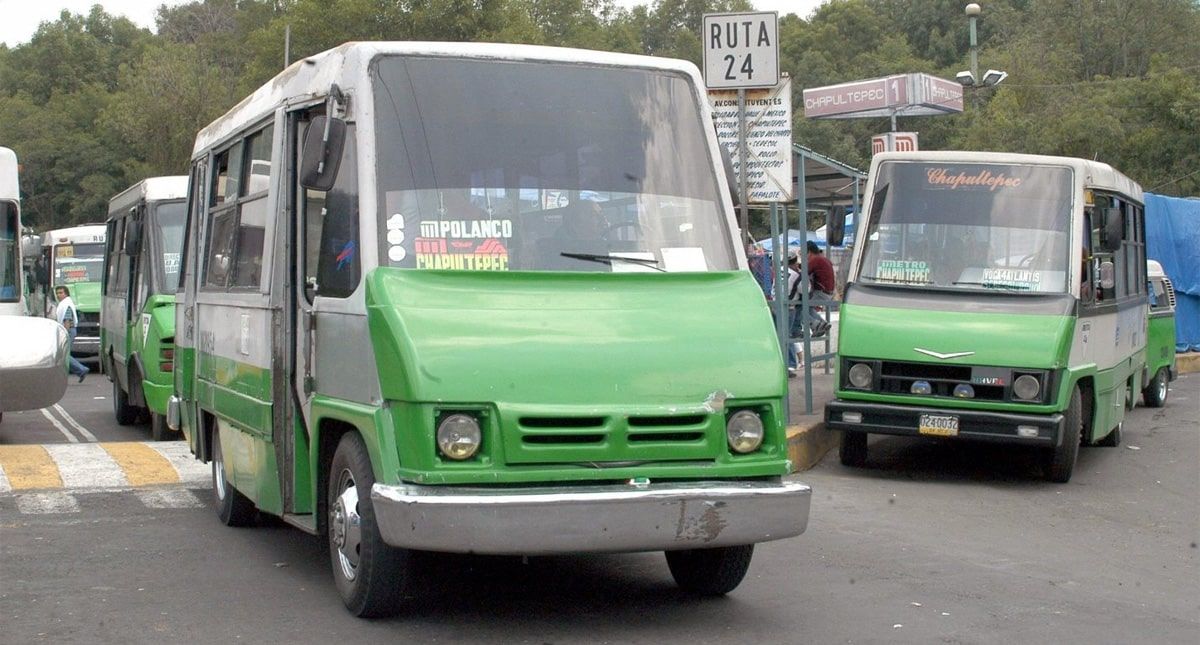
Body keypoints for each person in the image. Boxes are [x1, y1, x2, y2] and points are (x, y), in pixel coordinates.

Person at [54, 285, 89, 382]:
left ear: (66, 293)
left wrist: (64, 333)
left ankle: (81, 370)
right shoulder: (64, 303)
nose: (58, 295)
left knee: (63, 354)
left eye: (61, 293)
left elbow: (67, 320)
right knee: (63, 354)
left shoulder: (66, 304)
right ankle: (80, 370)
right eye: (57, 293)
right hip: (68, 330)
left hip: (68, 330)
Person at [805, 241, 836, 338]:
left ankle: (816, 325)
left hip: (821, 292)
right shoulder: (824, 259)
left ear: (809, 252)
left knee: (800, 309)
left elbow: (802, 273)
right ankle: (822, 323)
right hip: (828, 292)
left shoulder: (815, 260)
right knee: (807, 308)